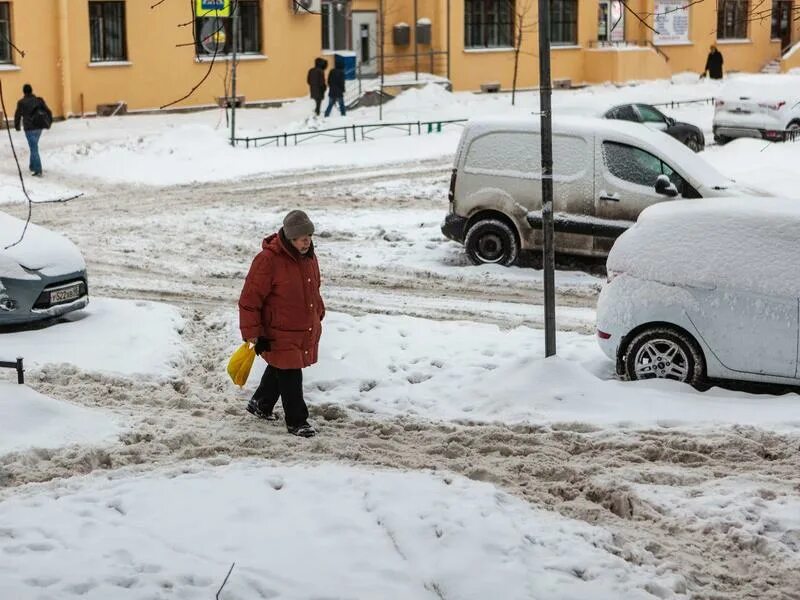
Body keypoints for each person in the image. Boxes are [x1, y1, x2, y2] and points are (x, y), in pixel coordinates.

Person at [238, 210, 325, 438]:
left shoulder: (309, 257)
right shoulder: (268, 260)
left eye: (309, 236)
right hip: (278, 330)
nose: (307, 241)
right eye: (302, 237)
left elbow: (313, 288)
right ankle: (297, 421)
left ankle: (261, 403)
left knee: (281, 365)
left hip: (301, 325)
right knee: (290, 373)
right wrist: (252, 332)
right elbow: (249, 299)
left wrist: (318, 311)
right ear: (290, 237)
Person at [14, 84, 53, 177]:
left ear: (24, 92)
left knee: (34, 148)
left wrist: (17, 126)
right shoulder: (38, 100)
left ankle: (38, 170)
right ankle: (32, 166)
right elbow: (48, 111)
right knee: (34, 147)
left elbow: (17, 115)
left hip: (29, 128)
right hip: (39, 127)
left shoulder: (21, 102)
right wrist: (49, 122)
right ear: (31, 91)